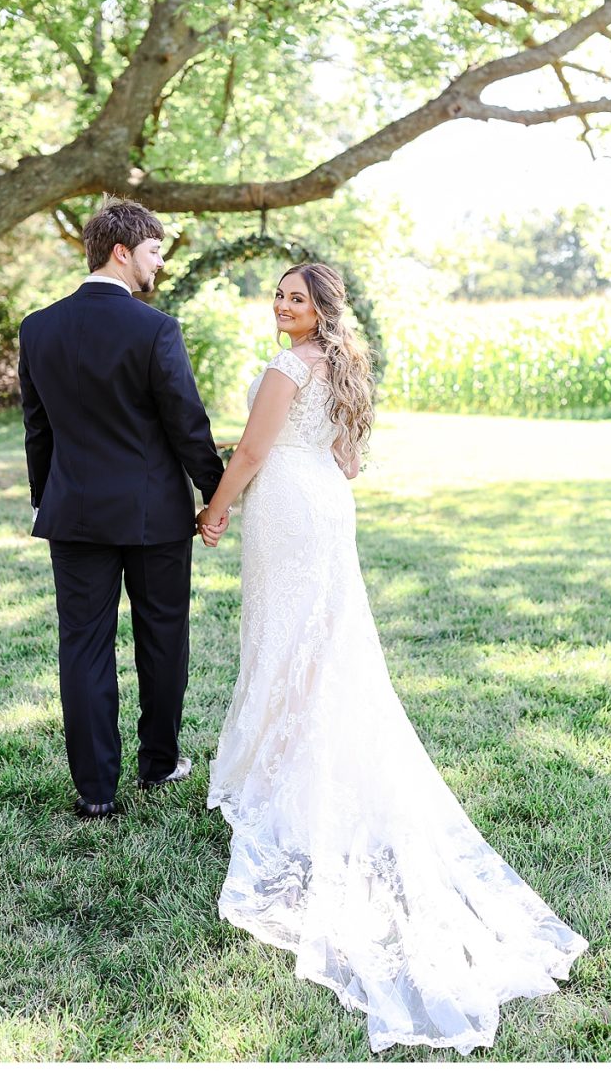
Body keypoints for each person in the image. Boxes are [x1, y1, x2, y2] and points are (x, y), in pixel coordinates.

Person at [196, 262, 586, 1054]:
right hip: (327, 508)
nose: (282, 306)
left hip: (287, 508)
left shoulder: (282, 367)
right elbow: (349, 461)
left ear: (320, 310)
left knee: (283, 639)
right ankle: (287, 749)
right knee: (318, 642)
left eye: (296, 298)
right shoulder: (341, 366)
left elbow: (249, 453)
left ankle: (275, 767)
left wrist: (215, 509)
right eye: (278, 296)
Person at [18, 199, 224, 818]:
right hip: (153, 516)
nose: (159, 264)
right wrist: (216, 492)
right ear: (122, 252)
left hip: (73, 514)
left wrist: (48, 497)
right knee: (162, 641)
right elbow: (187, 424)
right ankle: (158, 764)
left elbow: (38, 430)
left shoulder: (37, 327)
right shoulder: (155, 329)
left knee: (82, 646)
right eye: (156, 251)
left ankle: (96, 794)